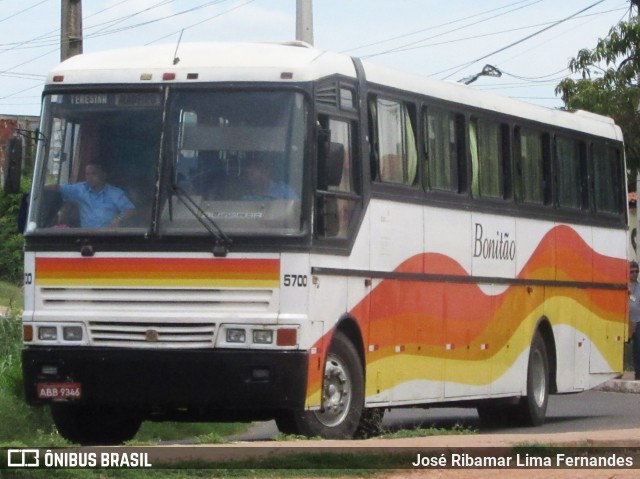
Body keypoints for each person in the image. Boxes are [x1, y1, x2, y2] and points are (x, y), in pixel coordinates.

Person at [48, 163, 136, 228]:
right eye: (87, 174)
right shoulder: (80, 189)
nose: (90, 177)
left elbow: (131, 210)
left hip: (109, 237)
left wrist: (118, 220)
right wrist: (39, 189)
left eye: (94, 174)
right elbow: (57, 188)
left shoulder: (115, 193)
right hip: (87, 237)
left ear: (103, 175)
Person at [629, 260, 640, 380]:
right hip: (623, 322)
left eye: (637, 271)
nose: (635, 274)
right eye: (632, 271)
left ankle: (638, 373)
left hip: (637, 321)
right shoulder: (623, 286)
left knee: (637, 348)